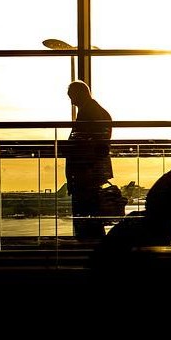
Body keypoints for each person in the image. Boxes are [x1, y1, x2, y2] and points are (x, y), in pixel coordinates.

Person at [62, 80, 113, 240]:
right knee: (92, 217)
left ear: (80, 94)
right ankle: (93, 248)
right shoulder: (98, 112)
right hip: (90, 171)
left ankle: (87, 248)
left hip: (85, 172)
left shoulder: (88, 113)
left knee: (85, 216)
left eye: (72, 96)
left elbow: (84, 145)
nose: (72, 101)